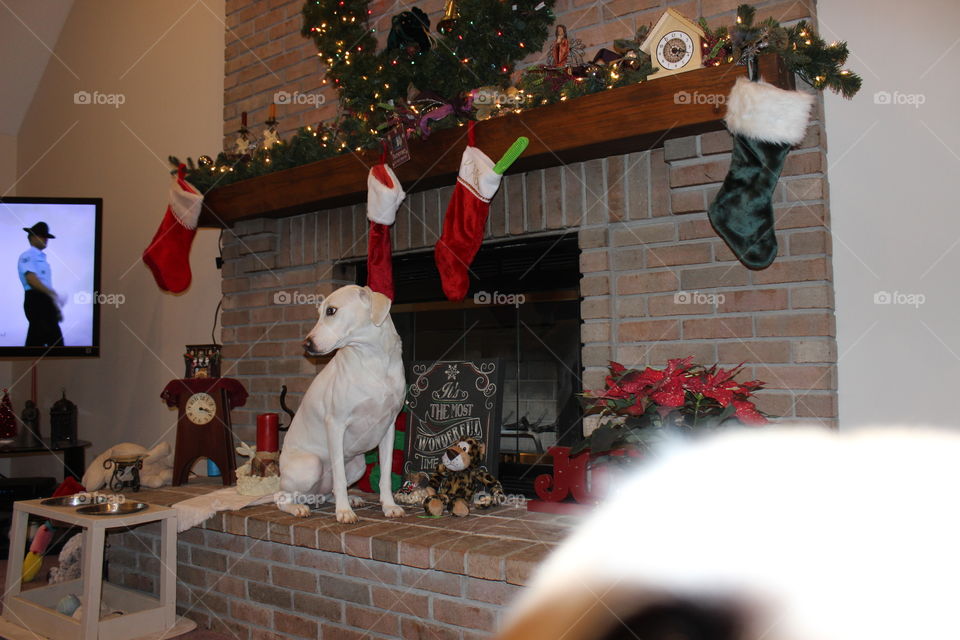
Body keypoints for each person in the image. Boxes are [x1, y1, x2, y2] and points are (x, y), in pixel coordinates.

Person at [18, 222, 64, 347]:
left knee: (37, 341)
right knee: (51, 340)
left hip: (44, 302)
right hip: (36, 300)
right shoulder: (28, 256)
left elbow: (44, 284)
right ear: (32, 237)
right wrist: (51, 294)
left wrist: (54, 307)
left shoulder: (42, 258)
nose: (45, 239)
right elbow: (31, 279)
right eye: (42, 236)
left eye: (46, 236)